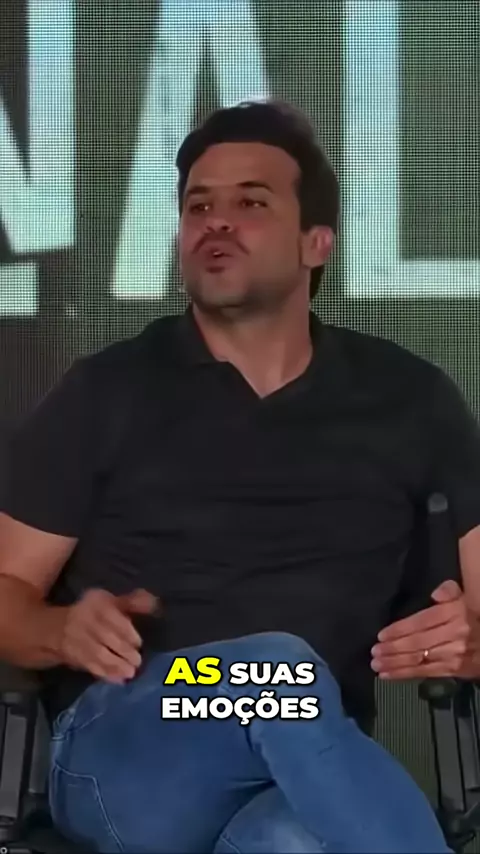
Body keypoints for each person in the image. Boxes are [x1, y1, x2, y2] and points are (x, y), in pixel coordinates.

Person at [0, 99, 479, 853]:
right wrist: (60, 629)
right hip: (134, 738)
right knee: (277, 671)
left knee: (295, 839)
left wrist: (470, 641)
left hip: (304, 765)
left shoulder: (411, 400)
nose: (216, 222)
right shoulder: (108, 391)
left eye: (250, 203)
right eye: (199, 206)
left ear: (317, 242)